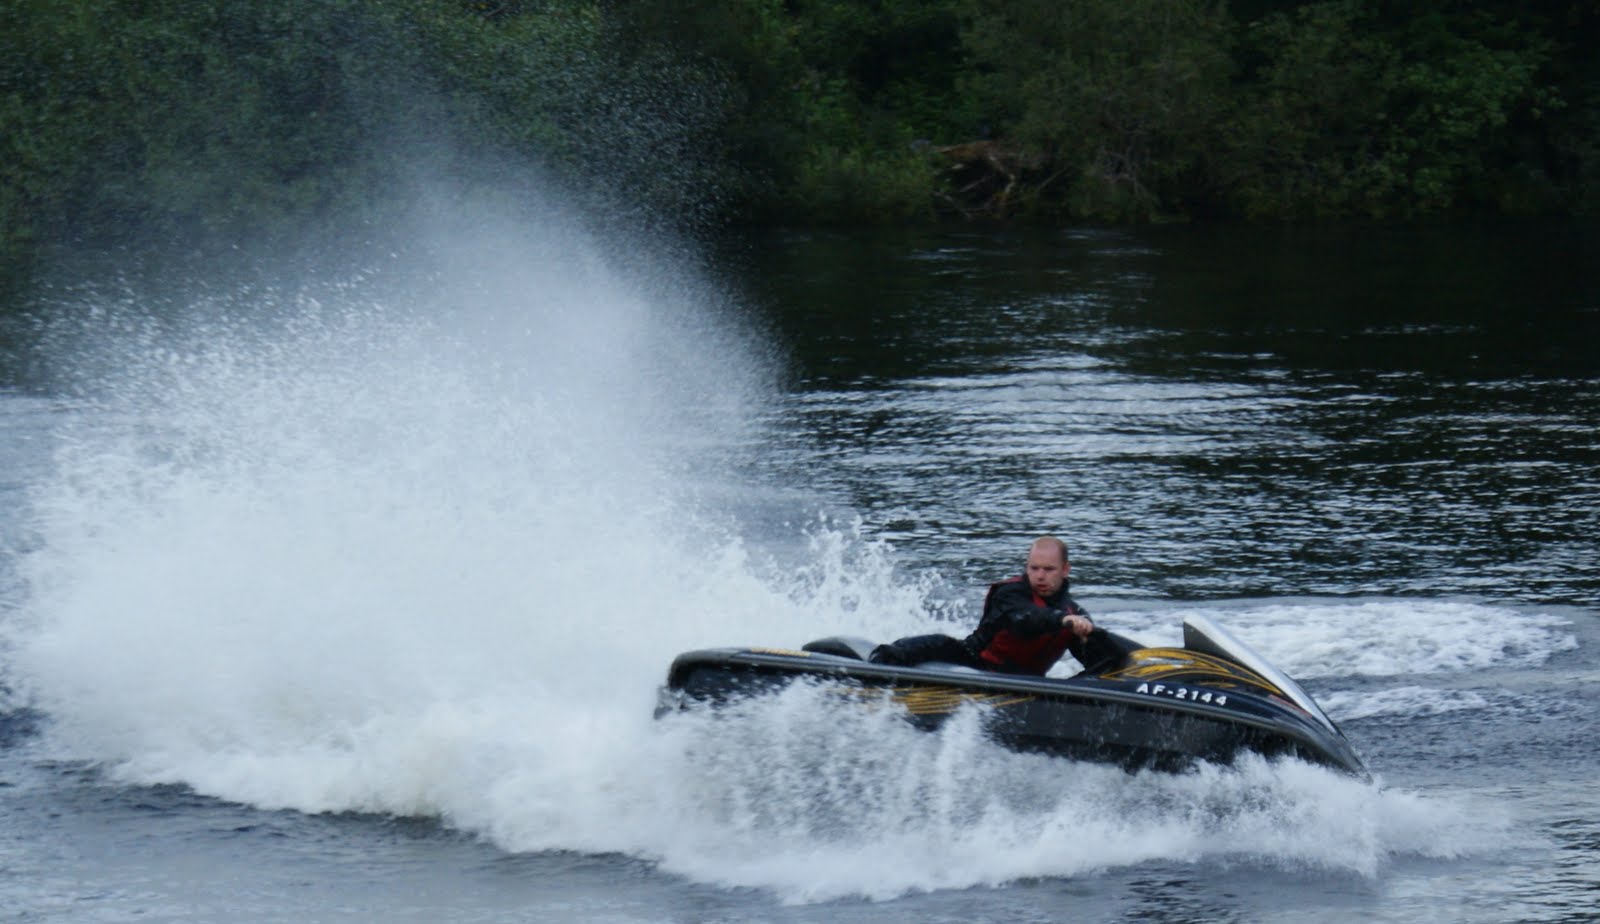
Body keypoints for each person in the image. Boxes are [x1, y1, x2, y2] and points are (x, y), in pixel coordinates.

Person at [870, 535, 1096, 676]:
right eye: (1034, 568)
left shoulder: (1075, 615)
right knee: (937, 643)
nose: (1040, 576)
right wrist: (1062, 621)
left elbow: (1096, 658)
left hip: (1026, 684)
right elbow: (1026, 619)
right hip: (975, 665)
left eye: (1048, 569)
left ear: (1065, 569)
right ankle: (877, 666)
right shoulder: (1011, 594)